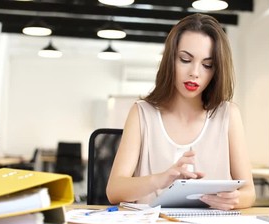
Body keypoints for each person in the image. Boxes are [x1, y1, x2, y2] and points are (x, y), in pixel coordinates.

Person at [106, 13, 255, 210]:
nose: (195, 72)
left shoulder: (228, 114)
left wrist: (234, 200)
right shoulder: (142, 113)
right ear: (170, 60)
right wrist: (161, 179)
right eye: (185, 59)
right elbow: (114, 191)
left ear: (216, 70)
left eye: (207, 65)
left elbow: (249, 193)